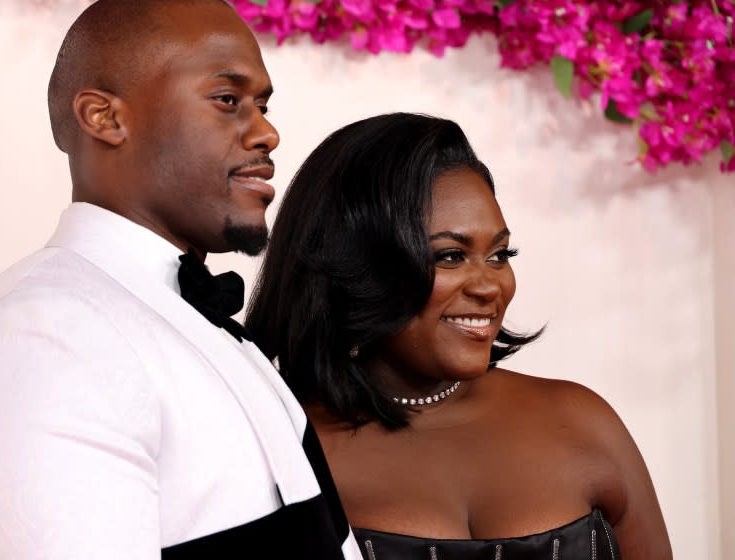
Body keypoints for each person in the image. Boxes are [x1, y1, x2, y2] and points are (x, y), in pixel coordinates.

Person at [0, 0, 361, 559]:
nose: (266, 134)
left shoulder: (191, 317)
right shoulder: (47, 337)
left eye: (263, 106)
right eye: (228, 99)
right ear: (105, 117)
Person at [247, 113, 672, 559]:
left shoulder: (585, 421)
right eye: (451, 256)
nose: (490, 287)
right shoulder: (281, 448)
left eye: (498, 254)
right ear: (357, 268)